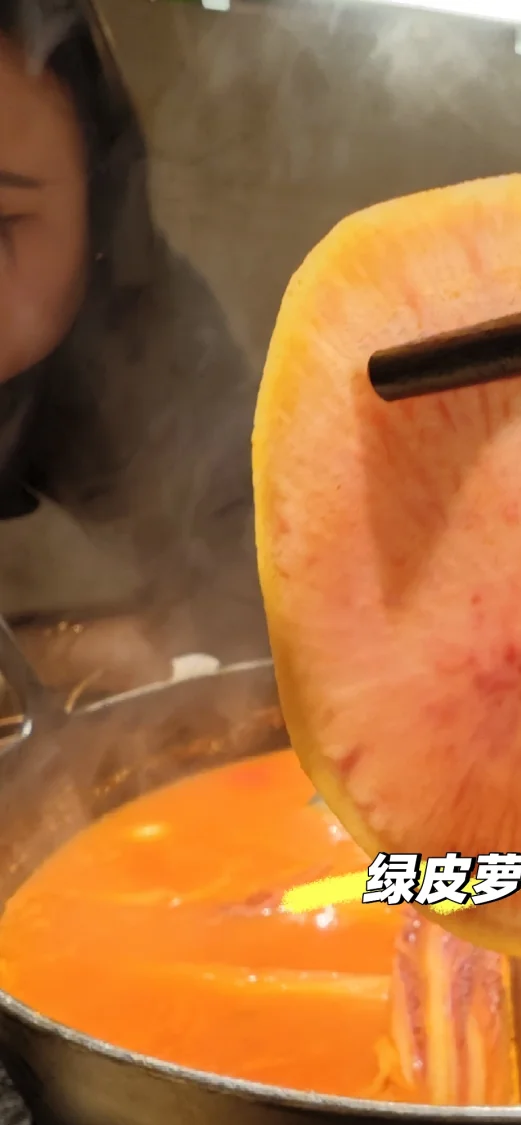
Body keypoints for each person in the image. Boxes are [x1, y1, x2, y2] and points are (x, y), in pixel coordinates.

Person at [0, 0, 267, 702]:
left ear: (99, 198)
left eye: (1, 224)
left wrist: (138, 649)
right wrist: (59, 654)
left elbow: (248, 574)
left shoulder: (143, 324)